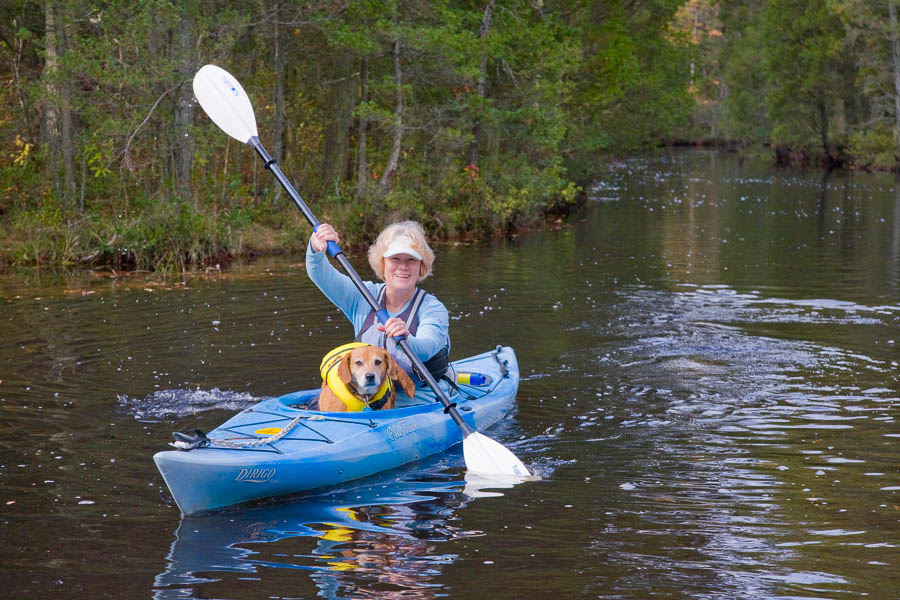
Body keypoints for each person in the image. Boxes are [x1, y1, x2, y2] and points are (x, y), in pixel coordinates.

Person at [307, 220, 450, 397]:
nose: (403, 267)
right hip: (367, 396)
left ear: (421, 266)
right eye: (395, 259)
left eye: (411, 260)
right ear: (382, 263)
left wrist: (407, 340)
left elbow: (427, 347)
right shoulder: (363, 295)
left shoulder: (433, 308)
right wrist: (315, 247)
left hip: (420, 397)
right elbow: (321, 275)